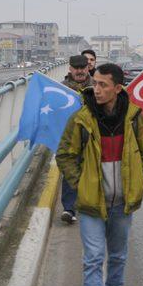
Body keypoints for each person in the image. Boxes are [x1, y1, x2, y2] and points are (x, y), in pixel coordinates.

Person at [56, 63, 143, 286]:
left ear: (118, 88)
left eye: (103, 85)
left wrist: (139, 180)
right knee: (92, 258)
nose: (97, 89)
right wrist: (80, 183)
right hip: (91, 203)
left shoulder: (133, 118)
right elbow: (65, 155)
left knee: (118, 255)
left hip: (122, 204)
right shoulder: (81, 119)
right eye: (95, 83)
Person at [60, 55, 93, 224]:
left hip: (93, 138)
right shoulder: (62, 89)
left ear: (88, 68)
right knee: (69, 171)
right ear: (70, 69)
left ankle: (92, 204)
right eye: (76, 68)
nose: (80, 71)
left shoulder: (97, 87)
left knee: (94, 171)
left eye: (83, 67)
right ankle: (69, 208)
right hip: (71, 138)